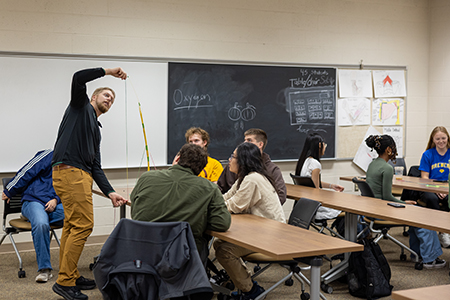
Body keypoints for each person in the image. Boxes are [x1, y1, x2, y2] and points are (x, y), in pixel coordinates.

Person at [51, 67, 128, 300]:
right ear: (93, 97)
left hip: (79, 173)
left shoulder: (95, 129)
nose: (109, 100)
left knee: (73, 226)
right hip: (70, 172)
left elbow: (96, 166)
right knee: (84, 225)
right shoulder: (80, 107)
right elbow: (77, 77)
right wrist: (108, 72)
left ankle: (70, 275)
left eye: (112, 99)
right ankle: (65, 282)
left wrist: (111, 192)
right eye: (106, 95)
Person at [131, 143, 231, 264]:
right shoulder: (209, 188)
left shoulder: (146, 177)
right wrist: (201, 219)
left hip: (143, 250)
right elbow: (222, 223)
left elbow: (135, 205)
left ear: (177, 159)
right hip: (182, 256)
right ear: (201, 169)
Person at [214, 142, 286, 300]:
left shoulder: (252, 179)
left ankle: (250, 291)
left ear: (243, 160)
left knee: (225, 251)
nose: (229, 160)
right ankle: (245, 282)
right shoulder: (244, 177)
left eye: (233, 157)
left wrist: (209, 207)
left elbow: (233, 205)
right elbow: (225, 198)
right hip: (259, 231)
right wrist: (211, 200)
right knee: (219, 243)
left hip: (272, 236)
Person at [365, 135, 446, 269]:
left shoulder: (372, 164)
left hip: (373, 209)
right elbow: (387, 197)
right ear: (389, 150)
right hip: (383, 210)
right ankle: (429, 258)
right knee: (425, 218)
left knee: (417, 216)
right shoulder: (387, 168)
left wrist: (403, 202)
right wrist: (404, 203)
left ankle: (418, 254)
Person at [2, 149, 64, 283]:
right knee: (41, 224)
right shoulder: (48, 154)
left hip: (54, 203)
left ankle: (37, 217)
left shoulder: (75, 160)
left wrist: (56, 200)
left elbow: (70, 187)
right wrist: (10, 189)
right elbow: (27, 171)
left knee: (77, 214)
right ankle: (45, 270)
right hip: (34, 200)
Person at [217, 128, 287, 205]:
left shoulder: (272, 169)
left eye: (249, 140)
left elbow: (281, 196)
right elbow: (221, 189)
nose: (245, 143)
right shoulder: (233, 165)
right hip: (235, 208)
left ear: (260, 144)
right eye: (245, 140)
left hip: (255, 212)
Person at [294, 133, 344, 219]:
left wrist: (332, 186)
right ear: (320, 146)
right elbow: (316, 193)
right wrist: (333, 195)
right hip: (314, 207)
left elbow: (313, 182)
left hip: (304, 206)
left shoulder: (305, 161)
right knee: (343, 206)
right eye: (325, 145)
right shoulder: (315, 164)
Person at [419, 126, 450, 211]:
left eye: (443, 138)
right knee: (432, 199)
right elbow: (424, 177)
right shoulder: (427, 154)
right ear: (433, 140)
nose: (441, 141)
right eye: (437, 139)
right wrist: (436, 189)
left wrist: (446, 190)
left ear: (448, 138)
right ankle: (434, 223)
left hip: (448, 186)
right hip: (431, 187)